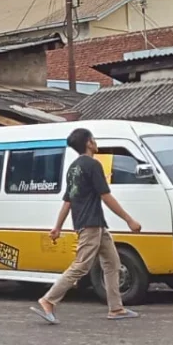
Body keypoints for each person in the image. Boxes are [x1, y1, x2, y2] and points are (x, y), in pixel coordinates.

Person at [31, 128, 143, 324]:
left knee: (113, 263)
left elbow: (68, 200)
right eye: (94, 139)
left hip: (95, 224)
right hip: (91, 224)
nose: (96, 142)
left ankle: (116, 308)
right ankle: (48, 300)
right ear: (89, 143)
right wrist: (128, 219)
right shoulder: (92, 165)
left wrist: (57, 227)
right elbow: (105, 196)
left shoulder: (73, 168)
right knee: (81, 265)